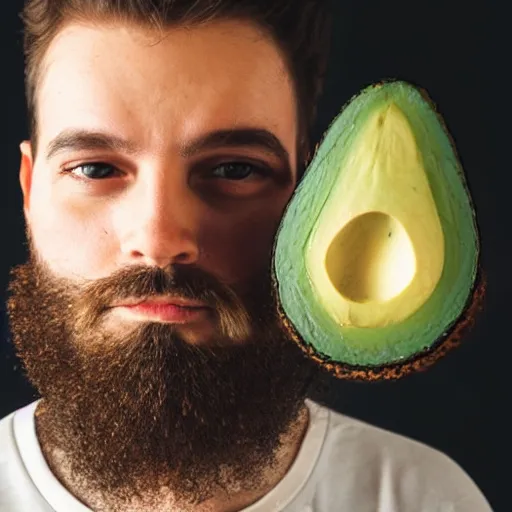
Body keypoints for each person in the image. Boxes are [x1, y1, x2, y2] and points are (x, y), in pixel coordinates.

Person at [0, 1, 493, 511]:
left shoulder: (425, 498)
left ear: (311, 196)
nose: (161, 238)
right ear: (30, 192)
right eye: (96, 170)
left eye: (234, 169)